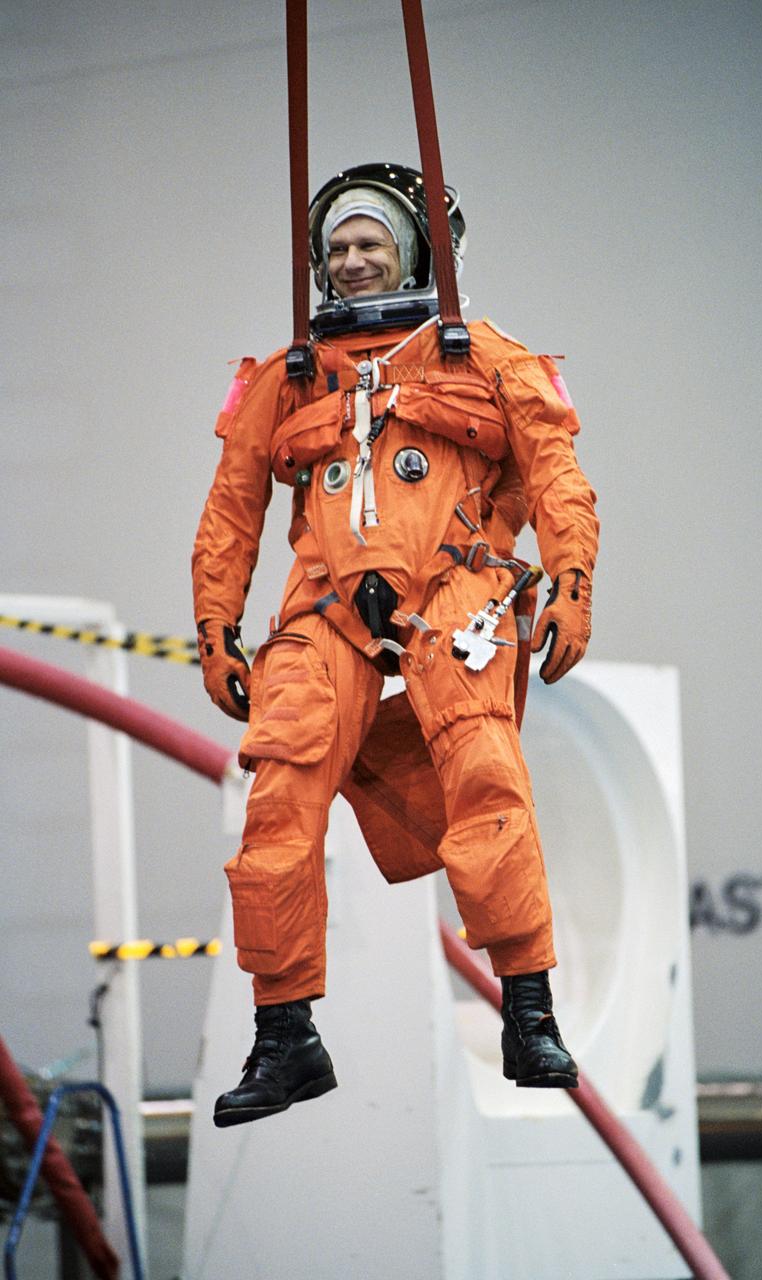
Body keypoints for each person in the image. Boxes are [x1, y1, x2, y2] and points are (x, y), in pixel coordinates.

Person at [192, 163, 599, 1127]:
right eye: (337, 249)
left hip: (457, 594)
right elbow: (231, 507)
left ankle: (528, 1013)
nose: (353, 261)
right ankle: (285, 1035)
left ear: (415, 250)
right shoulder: (293, 374)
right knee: (277, 802)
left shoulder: (485, 356)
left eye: (371, 242)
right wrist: (216, 626)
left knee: (488, 783)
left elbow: (558, 478)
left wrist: (572, 585)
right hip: (325, 605)